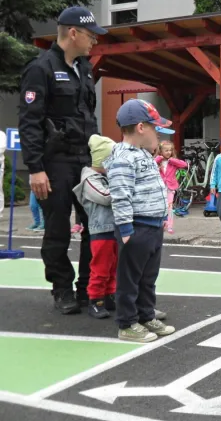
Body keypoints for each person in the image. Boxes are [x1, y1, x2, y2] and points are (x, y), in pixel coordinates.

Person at [18, 6, 107, 314]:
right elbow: (29, 122)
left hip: (85, 161)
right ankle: (62, 289)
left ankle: (87, 287)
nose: (94, 40)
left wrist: (98, 158)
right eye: (90, 34)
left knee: (95, 225)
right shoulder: (40, 68)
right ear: (73, 33)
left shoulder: (85, 69)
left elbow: (88, 118)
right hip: (54, 162)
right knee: (57, 229)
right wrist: (35, 168)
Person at [104, 98, 175, 343]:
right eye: (155, 127)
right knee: (130, 279)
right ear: (141, 127)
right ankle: (127, 323)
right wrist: (125, 229)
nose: (158, 133)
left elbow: (154, 187)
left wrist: (163, 217)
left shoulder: (142, 154)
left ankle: (145, 315)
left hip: (152, 226)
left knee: (148, 277)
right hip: (137, 227)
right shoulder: (124, 157)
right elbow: (121, 195)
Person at [72, 135, 117, 319]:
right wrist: (122, 188)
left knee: (113, 266)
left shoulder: (106, 177)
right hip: (101, 230)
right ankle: (96, 300)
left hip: (113, 228)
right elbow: (104, 197)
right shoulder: (90, 180)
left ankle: (109, 295)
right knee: (100, 267)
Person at [155, 140, 187, 235]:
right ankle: (160, 224)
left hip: (170, 188)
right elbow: (151, 164)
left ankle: (170, 225)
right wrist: (158, 159)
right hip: (159, 187)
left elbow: (184, 165)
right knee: (160, 207)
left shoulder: (173, 162)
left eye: (170, 150)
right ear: (161, 151)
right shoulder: (158, 161)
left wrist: (172, 160)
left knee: (169, 207)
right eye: (166, 150)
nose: (169, 152)